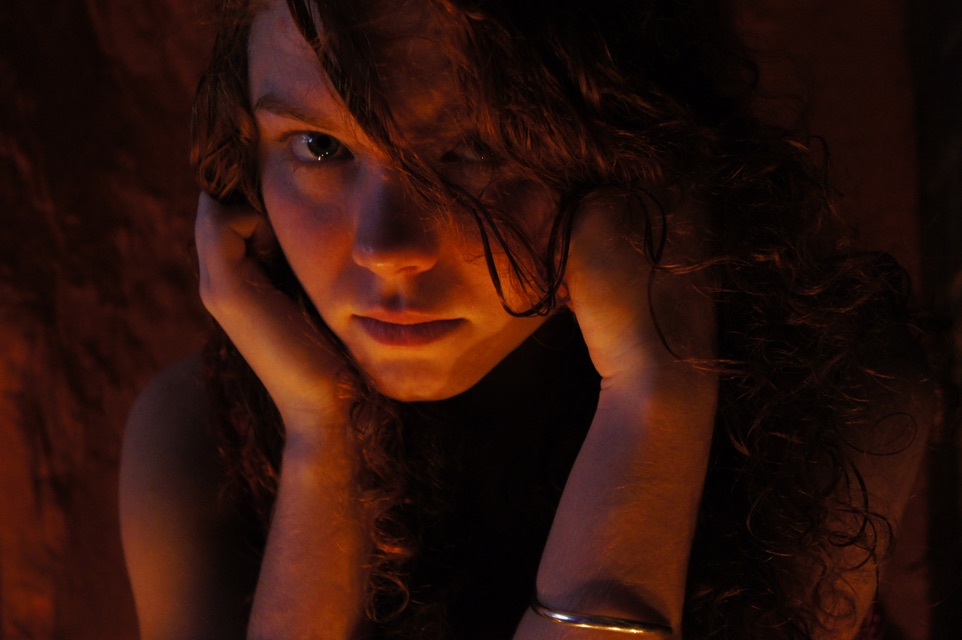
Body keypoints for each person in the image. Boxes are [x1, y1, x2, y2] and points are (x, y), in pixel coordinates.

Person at [119, 0, 932, 638]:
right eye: (319, 148)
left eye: (475, 148)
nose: (385, 248)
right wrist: (325, 440)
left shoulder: (833, 392)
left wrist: (656, 394)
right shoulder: (201, 437)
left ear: (628, 140)